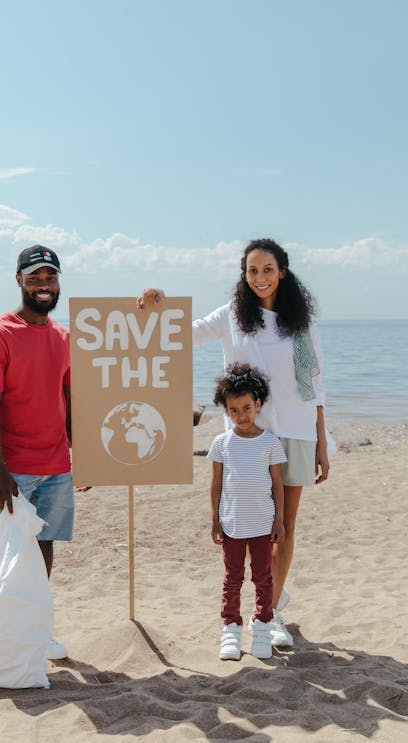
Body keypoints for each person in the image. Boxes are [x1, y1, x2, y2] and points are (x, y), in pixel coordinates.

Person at [137, 237, 331, 648]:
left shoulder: (300, 322)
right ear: (243, 275)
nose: (260, 277)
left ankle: (272, 611)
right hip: (247, 437)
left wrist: (321, 440)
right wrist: (162, 302)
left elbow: (315, 385)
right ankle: (262, 603)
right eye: (251, 270)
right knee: (248, 526)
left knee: (283, 526)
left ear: (282, 272)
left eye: (267, 270)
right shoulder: (231, 317)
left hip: (295, 429)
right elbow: (183, 334)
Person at [0, 244, 84, 685]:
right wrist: (0, 473)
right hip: (12, 469)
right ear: (19, 281)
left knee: (42, 550)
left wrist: (82, 457)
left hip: (56, 466)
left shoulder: (63, 337)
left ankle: (34, 632)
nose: (44, 285)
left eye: (51, 277)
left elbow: (68, 400)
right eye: (35, 277)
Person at [209, 363, 286, 660]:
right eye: (234, 410)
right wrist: (215, 519)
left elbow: (277, 484)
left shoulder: (269, 442)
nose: (241, 416)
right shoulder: (221, 443)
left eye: (246, 408)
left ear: (257, 405)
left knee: (263, 578)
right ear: (226, 411)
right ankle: (230, 627)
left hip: (263, 525)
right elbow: (216, 484)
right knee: (233, 578)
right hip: (231, 525)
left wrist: (278, 519)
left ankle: (263, 624)